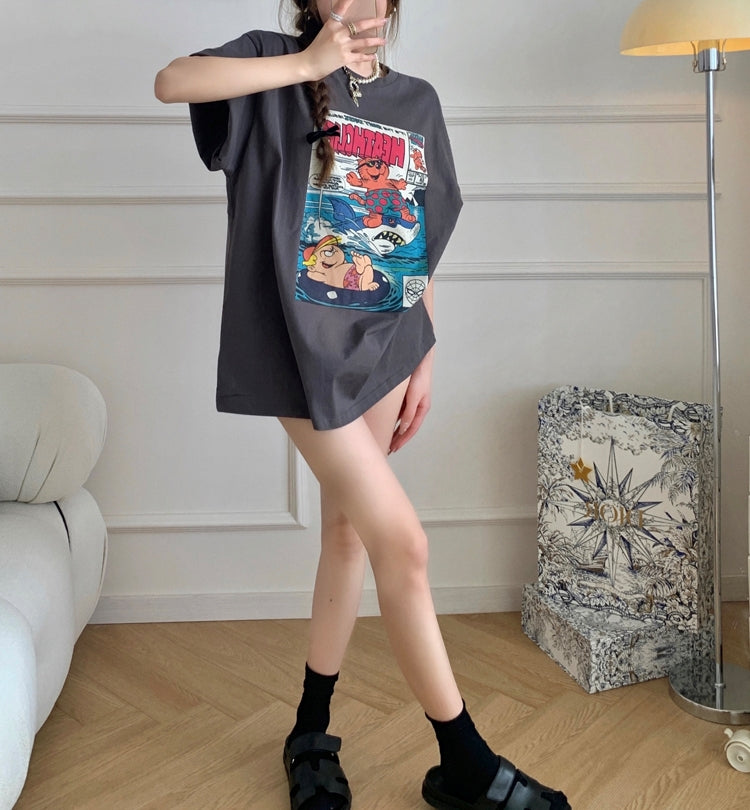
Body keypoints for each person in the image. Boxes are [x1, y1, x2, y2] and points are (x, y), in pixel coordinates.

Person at [154, 2, 571, 808]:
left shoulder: (417, 101)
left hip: (389, 349)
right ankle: (468, 765)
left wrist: (426, 352)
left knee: (347, 533)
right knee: (404, 544)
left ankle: (310, 732)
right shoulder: (269, 62)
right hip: (298, 357)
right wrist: (307, 65)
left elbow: (417, 238)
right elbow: (173, 82)